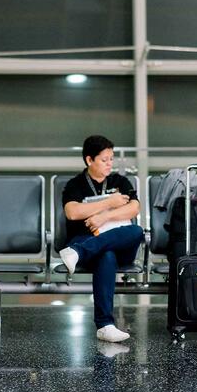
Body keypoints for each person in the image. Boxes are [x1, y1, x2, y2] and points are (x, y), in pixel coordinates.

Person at [59, 135, 144, 343]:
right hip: (89, 240)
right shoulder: (75, 184)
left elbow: (134, 207)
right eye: (104, 160)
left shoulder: (119, 181)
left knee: (137, 231)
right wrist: (110, 202)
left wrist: (103, 216)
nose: (109, 164)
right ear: (90, 160)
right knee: (106, 255)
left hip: (114, 243)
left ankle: (78, 251)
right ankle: (105, 325)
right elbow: (73, 212)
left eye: (111, 159)